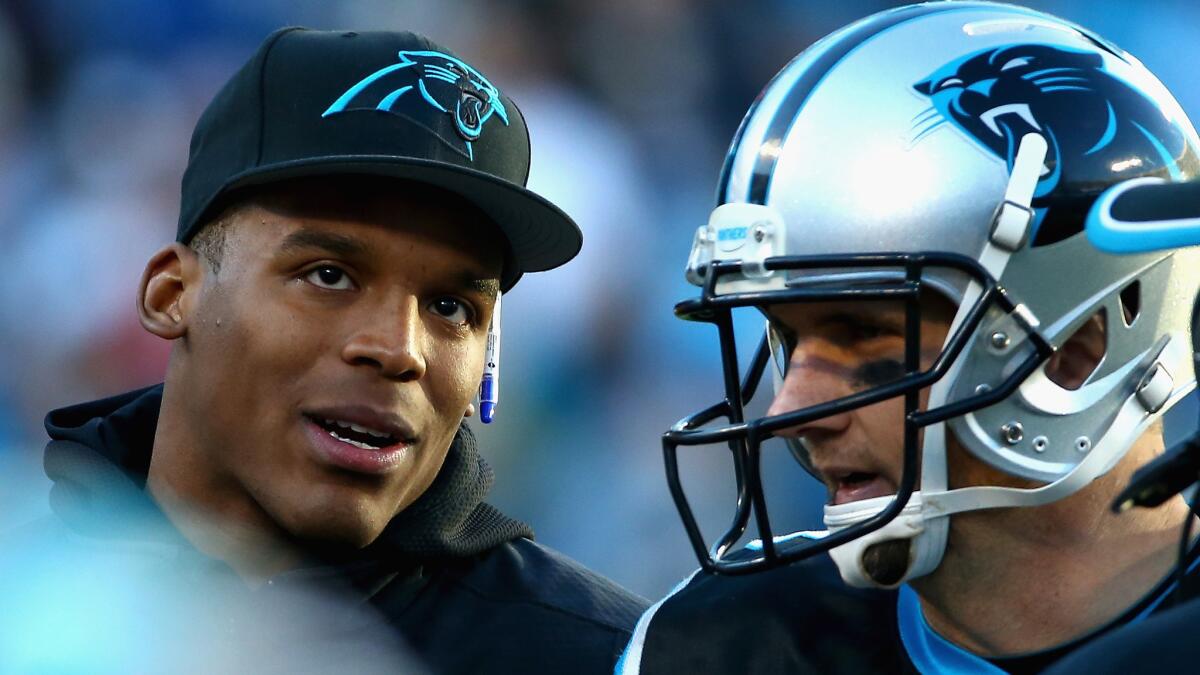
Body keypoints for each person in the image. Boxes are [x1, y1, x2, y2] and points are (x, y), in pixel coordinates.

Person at [0, 27, 646, 674]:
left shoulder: (606, 656)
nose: (399, 350)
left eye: (451, 307)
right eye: (329, 275)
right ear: (173, 294)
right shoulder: (23, 586)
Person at [618, 3, 1200, 673]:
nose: (785, 412)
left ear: (1075, 347)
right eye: (786, 338)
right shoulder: (717, 645)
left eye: (861, 333)